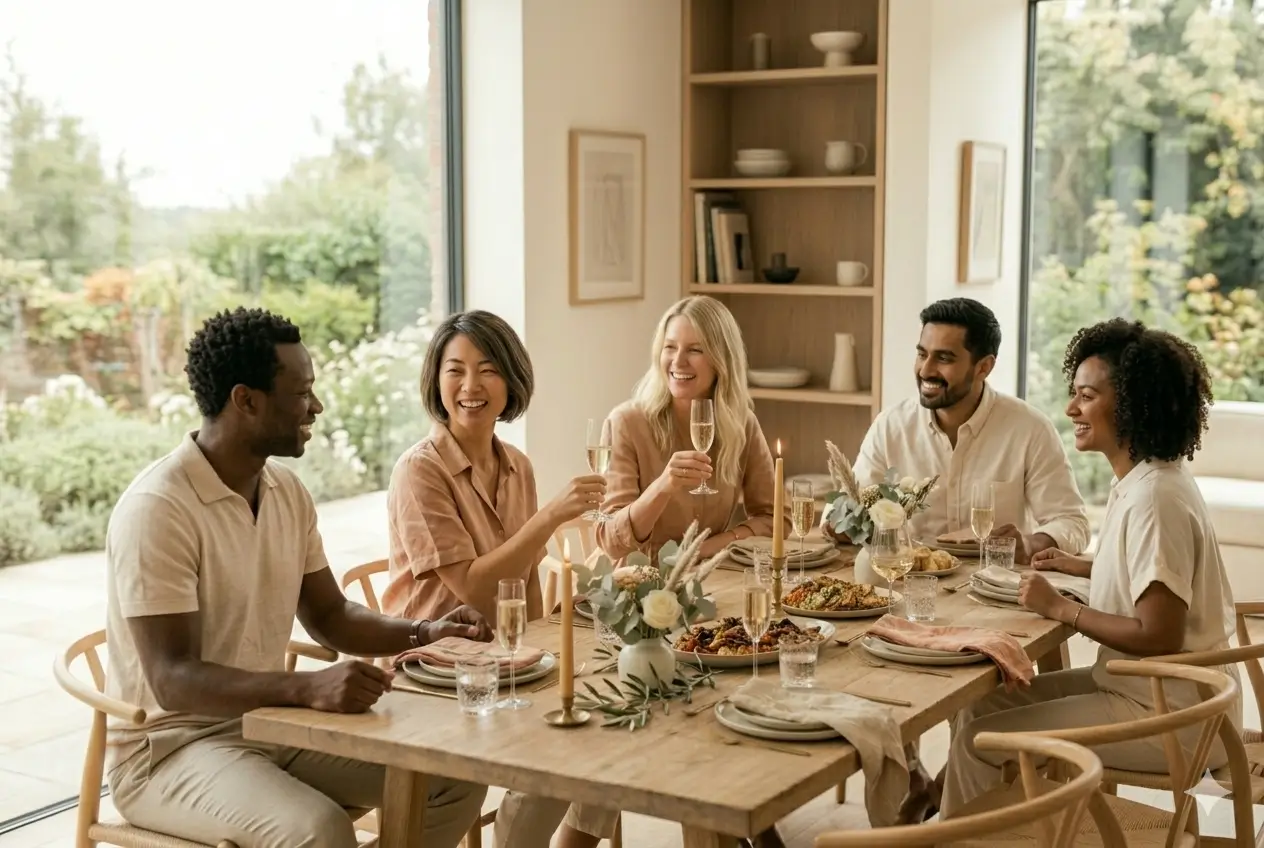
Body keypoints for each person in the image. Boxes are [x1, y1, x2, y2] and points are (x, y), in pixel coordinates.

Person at [104, 307, 489, 848]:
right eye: (302, 392)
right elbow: (173, 679)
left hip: (269, 721)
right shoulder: (158, 508)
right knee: (320, 830)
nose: (317, 406)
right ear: (246, 400)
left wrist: (424, 633)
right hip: (168, 751)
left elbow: (330, 615)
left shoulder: (285, 490)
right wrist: (307, 688)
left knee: (453, 774)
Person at [939, 317, 1240, 816]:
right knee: (980, 706)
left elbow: (1159, 633)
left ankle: (967, 837)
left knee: (978, 741)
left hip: (1174, 717)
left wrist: (1061, 609)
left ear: (1132, 405)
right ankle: (1000, 829)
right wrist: (1082, 566)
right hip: (1154, 690)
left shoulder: (1154, 500)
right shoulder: (1147, 480)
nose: (1071, 408)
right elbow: (1150, 577)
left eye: (1086, 396)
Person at [559, 295, 785, 848]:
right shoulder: (629, 422)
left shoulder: (739, 422)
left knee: (739, 705)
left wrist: (710, 546)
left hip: (708, 600)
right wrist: (663, 485)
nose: (678, 362)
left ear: (721, 360)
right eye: (669, 347)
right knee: (627, 740)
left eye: (695, 350)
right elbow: (611, 539)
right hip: (631, 608)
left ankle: (743, 821)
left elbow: (772, 516)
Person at [380, 309, 607, 848]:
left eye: (487, 370)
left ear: (511, 380)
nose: (471, 386)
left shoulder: (517, 466)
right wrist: (550, 518)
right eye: (455, 370)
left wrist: (542, 658)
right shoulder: (420, 470)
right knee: (562, 750)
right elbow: (477, 591)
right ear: (436, 381)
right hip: (431, 673)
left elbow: (523, 586)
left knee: (605, 722)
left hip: (500, 663)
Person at [850, 297, 1090, 563]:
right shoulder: (890, 426)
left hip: (995, 584)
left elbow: (1072, 522)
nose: (926, 370)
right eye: (922, 354)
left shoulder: (1030, 429)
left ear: (984, 367)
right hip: (907, 578)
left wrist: (1031, 543)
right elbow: (848, 509)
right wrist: (843, 524)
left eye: (944, 358)